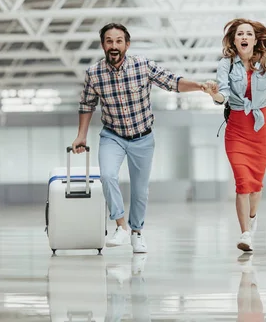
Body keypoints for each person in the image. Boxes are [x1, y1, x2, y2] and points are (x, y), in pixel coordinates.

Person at [72, 22, 205, 253]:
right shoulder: (94, 73)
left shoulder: (142, 66)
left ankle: (137, 233)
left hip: (143, 138)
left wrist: (201, 87)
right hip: (112, 135)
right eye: (109, 41)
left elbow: (173, 82)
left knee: (140, 190)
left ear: (127, 44)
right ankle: (121, 227)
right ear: (103, 45)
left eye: (119, 41)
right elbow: (86, 105)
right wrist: (81, 136)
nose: (114, 46)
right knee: (107, 175)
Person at [202, 18, 266, 252]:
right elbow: (223, 98)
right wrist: (213, 94)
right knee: (242, 182)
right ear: (234, 40)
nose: (244, 37)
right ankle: (245, 233)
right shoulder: (226, 64)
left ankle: (252, 216)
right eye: (240, 34)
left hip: (260, 129)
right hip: (237, 128)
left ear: (255, 39)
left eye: (248, 34)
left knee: (256, 186)